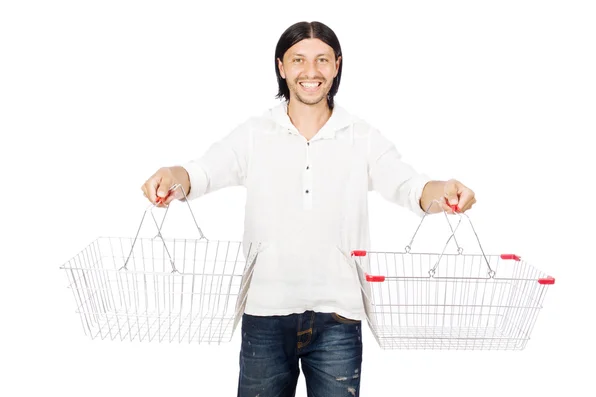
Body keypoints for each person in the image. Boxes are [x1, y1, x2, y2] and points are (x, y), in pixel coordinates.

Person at [141, 21, 476, 397]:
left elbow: (409, 185)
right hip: (265, 313)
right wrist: (172, 174)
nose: (311, 71)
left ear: (336, 65)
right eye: (298, 60)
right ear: (282, 67)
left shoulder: (360, 135)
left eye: (321, 60)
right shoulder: (255, 133)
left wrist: (444, 190)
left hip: (338, 316)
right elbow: (201, 173)